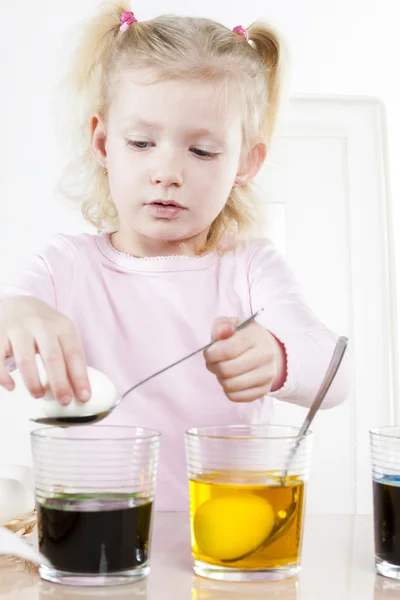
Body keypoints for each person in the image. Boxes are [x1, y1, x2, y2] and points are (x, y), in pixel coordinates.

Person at [0, 3, 350, 510]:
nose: (167, 172)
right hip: (99, 544)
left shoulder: (249, 268)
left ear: (246, 162)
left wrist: (278, 358)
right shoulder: (65, 267)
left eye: (202, 152)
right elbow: (13, 316)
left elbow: (334, 374)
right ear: (102, 142)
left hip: (226, 542)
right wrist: (13, 313)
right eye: (141, 142)